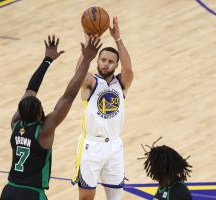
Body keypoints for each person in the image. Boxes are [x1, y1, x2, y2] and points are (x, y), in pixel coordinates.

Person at [0, 34, 102, 200]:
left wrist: (47, 60)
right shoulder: (44, 131)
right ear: (40, 113)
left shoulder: (15, 124)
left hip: (9, 191)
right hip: (32, 194)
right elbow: (69, 95)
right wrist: (87, 60)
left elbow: (30, 90)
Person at [72, 17, 134, 200]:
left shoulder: (121, 84)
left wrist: (118, 39)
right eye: (103, 60)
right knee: (86, 197)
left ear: (116, 65)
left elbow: (129, 68)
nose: (106, 64)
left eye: (111, 61)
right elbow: (79, 73)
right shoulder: (91, 83)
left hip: (114, 145)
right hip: (92, 146)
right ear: (97, 61)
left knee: (116, 197)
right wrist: (88, 45)